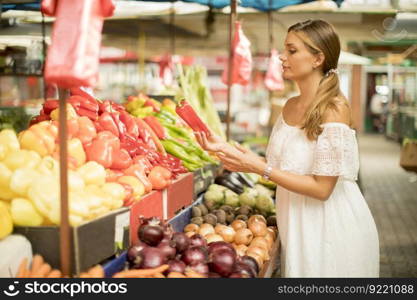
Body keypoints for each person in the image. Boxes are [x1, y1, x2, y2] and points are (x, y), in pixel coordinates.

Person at [195, 19, 379, 278]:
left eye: (292, 51)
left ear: (317, 59)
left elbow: (322, 188)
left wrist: (259, 168)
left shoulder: (334, 108)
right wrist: (226, 149)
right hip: (295, 224)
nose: (282, 57)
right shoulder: (290, 106)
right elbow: (283, 166)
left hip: (328, 229)